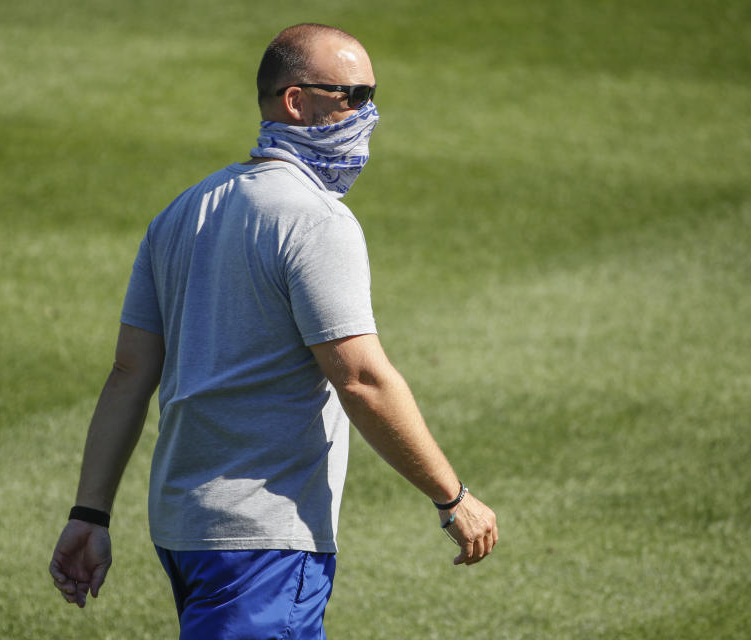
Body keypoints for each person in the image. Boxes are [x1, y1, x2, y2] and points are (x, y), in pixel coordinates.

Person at [49, 22, 497, 638]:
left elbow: (130, 373)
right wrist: (453, 498)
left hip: (185, 532)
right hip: (264, 541)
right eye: (354, 97)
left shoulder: (181, 213)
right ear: (296, 100)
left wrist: (90, 512)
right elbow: (361, 379)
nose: (369, 114)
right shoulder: (316, 221)